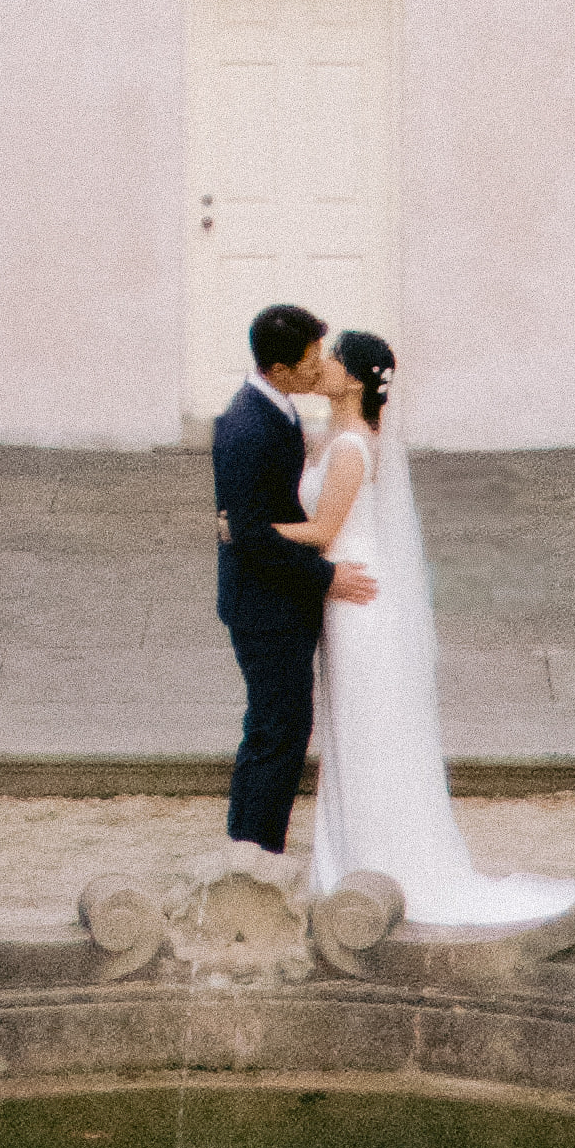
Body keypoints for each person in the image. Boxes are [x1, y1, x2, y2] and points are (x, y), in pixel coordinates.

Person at [294, 322, 474, 928]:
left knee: (364, 725)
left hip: (356, 600)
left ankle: (372, 861)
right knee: (352, 724)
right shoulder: (337, 435)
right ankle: (350, 857)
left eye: (332, 359)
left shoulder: (351, 446)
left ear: (352, 378)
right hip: (344, 591)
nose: (323, 365)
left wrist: (246, 529)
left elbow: (323, 530)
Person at [209, 296, 335, 853]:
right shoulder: (247, 427)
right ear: (280, 368)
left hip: (279, 602)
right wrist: (327, 577)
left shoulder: (277, 409)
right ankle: (253, 853)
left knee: (278, 726)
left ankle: (253, 846)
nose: (319, 367)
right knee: (277, 730)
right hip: (264, 606)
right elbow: (253, 536)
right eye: (311, 359)